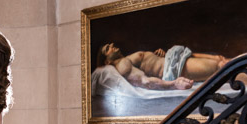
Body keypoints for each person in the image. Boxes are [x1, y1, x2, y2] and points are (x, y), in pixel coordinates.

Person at [96, 42, 228, 91]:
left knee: (221, 59)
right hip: (175, 67)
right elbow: (145, 82)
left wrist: (158, 55)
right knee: (220, 66)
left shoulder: (126, 59)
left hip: (175, 58)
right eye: (108, 48)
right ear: (107, 61)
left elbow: (149, 64)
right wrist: (173, 84)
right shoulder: (122, 65)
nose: (112, 44)